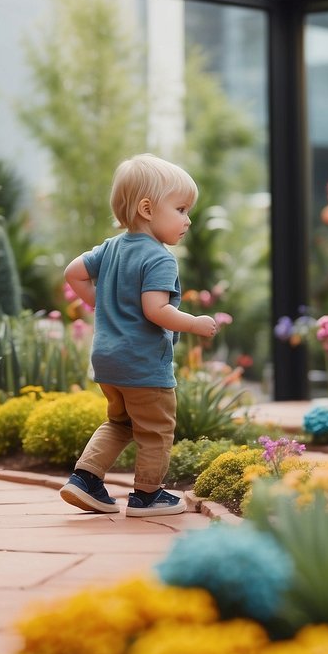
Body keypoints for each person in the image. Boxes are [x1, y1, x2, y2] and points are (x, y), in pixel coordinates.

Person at [60, 154, 217, 517]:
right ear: (147, 208)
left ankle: (85, 479)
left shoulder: (111, 247)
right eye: (180, 209)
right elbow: (155, 310)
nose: (187, 219)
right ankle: (147, 495)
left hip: (108, 362)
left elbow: (73, 273)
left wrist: (103, 307)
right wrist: (194, 323)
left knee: (120, 423)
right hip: (143, 364)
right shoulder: (159, 258)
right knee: (157, 429)